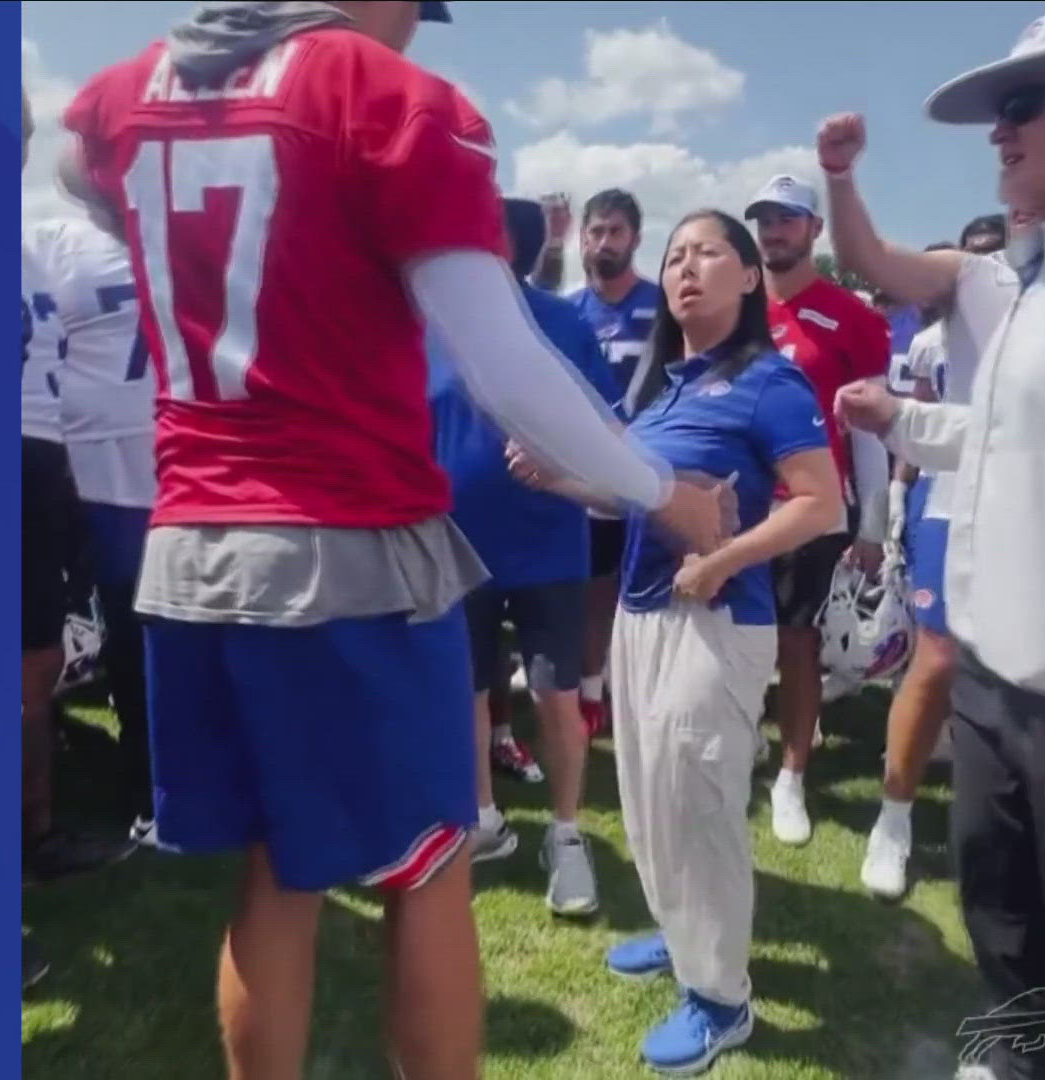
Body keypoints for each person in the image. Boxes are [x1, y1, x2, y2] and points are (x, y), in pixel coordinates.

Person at [59, 3, 723, 1077]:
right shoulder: (382, 98)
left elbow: (80, 159)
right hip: (343, 543)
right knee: (430, 865)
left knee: (280, 867)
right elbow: (505, 364)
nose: (416, 27)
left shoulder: (132, 88)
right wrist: (662, 491)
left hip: (192, 541)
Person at [823, 4, 1045, 1077]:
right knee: (1003, 927)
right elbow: (1025, 439)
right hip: (993, 685)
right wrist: (907, 422)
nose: (999, 130)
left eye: (1024, 103)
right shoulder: (1043, 271)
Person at [512, 210, 841, 1075]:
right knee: (651, 792)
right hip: (643, 616)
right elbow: (638, 496)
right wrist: (561, 478)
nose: (687, 267)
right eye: (677, 255)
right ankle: (680, 932)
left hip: (717, 623)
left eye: (709, 253)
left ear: (746, 279)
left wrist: (723, 558)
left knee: (699, 811)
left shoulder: (771, 381)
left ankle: (721, 1001)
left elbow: (821, 503)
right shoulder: (669, 387)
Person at [430, 197, 616, 916]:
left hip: (549, 548)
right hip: (454, 545)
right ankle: (483, 819)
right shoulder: (432, 320)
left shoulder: (565, 323)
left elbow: (605, 424)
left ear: (515, 248)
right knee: (469, 691)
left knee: (555, 696)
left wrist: (560, 460)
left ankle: (566, 836)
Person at [858, 226, 1014, 903]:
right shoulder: (974, 288)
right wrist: (895, 495)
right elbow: (918, 421)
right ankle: (893, 818)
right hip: (952, 499)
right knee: (940, 658)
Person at [742, 173, 892, 847]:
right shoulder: (733, 302)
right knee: (734, 637)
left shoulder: (853, 317)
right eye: (765, 219)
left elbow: (867, 430)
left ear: (813, 229)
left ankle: (792, 776)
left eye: (788, 218)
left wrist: (872, 526)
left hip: (813, 510)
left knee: (797, 643)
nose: (774, 230)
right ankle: (743, 742)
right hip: (735, 508)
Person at [33, 209, 161, 845]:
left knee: (153, 639)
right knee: (122, 636)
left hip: (163, 462)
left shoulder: (183, 223)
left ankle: (156, 789)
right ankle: (146, 789)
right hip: (96, 470)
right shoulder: (50, 243)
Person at [567, 188, 665, 739]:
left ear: (635, 237)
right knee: (592, 588)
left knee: (647, 588)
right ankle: (589, 691)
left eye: (615, 232)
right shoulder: (570, 309)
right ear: (584, 238)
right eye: (596, 232)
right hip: (582, 476)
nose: (605, 242)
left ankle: (641, 695)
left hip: (649, 468)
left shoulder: (664, 305)